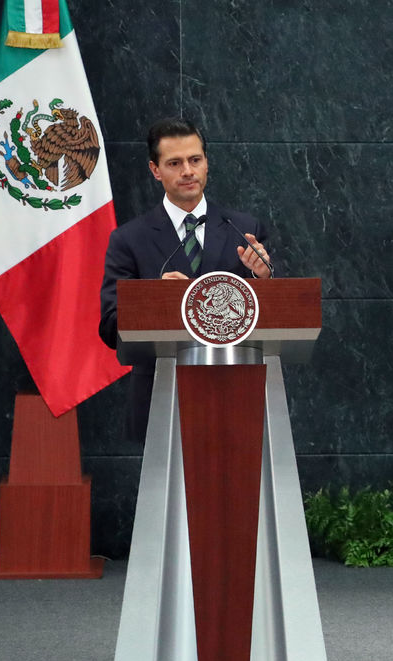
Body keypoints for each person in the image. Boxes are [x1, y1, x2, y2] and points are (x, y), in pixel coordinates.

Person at [99, 117, 273, 441]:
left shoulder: (243, 228)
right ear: (155, 170)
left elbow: (281, 313)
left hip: (236, 392)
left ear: (207, 163)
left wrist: (262, 277)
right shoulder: (129, 239)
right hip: (161, 397)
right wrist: (156, 300)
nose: (188, 171)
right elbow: (110, 326)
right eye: (175, 163)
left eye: (195, 160)